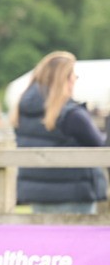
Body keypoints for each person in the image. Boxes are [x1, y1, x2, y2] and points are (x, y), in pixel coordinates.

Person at [12, 51, 107, 214]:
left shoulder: (23, 110)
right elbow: (101, 147)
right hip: (74, 195)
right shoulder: (71, 114)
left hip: (38, 195)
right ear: (66, 79)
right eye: (74, 76)